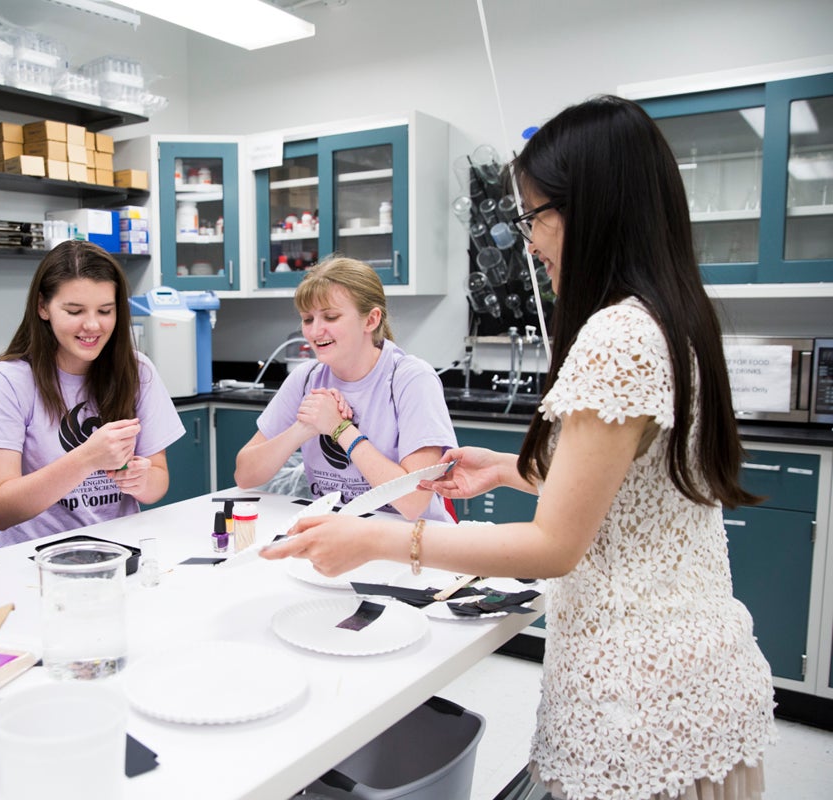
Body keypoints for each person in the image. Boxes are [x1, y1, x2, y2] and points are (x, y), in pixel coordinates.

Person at [264, 96, 776, 800]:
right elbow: (634, 489)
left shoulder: (616, 336)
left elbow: (553, 547)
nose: (530, 240)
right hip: (694, 681)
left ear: (585, 210)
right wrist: (510, 468)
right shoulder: (674, 313)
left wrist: (378, 543)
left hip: (640, 702)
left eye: (535, 216)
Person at [0, 240, 184, 547]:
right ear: (43, 307)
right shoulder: (8, 381)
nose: (92, 325)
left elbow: (158, 481)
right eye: (74, 311)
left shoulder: (137, 370)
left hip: (120, 551)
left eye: (105, 310)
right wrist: (87, 458)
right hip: (35, 562)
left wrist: (141, 479)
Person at [234, 256, 457, 522]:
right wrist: (304, 428)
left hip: (413, 544)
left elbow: (413, 502)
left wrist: (340, 429)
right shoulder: (306, 378)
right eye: (307, 319)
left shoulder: (410, 379)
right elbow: (245, 476)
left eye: (331, 316)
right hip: (341, 536)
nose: (316, 331)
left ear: (371, 320)